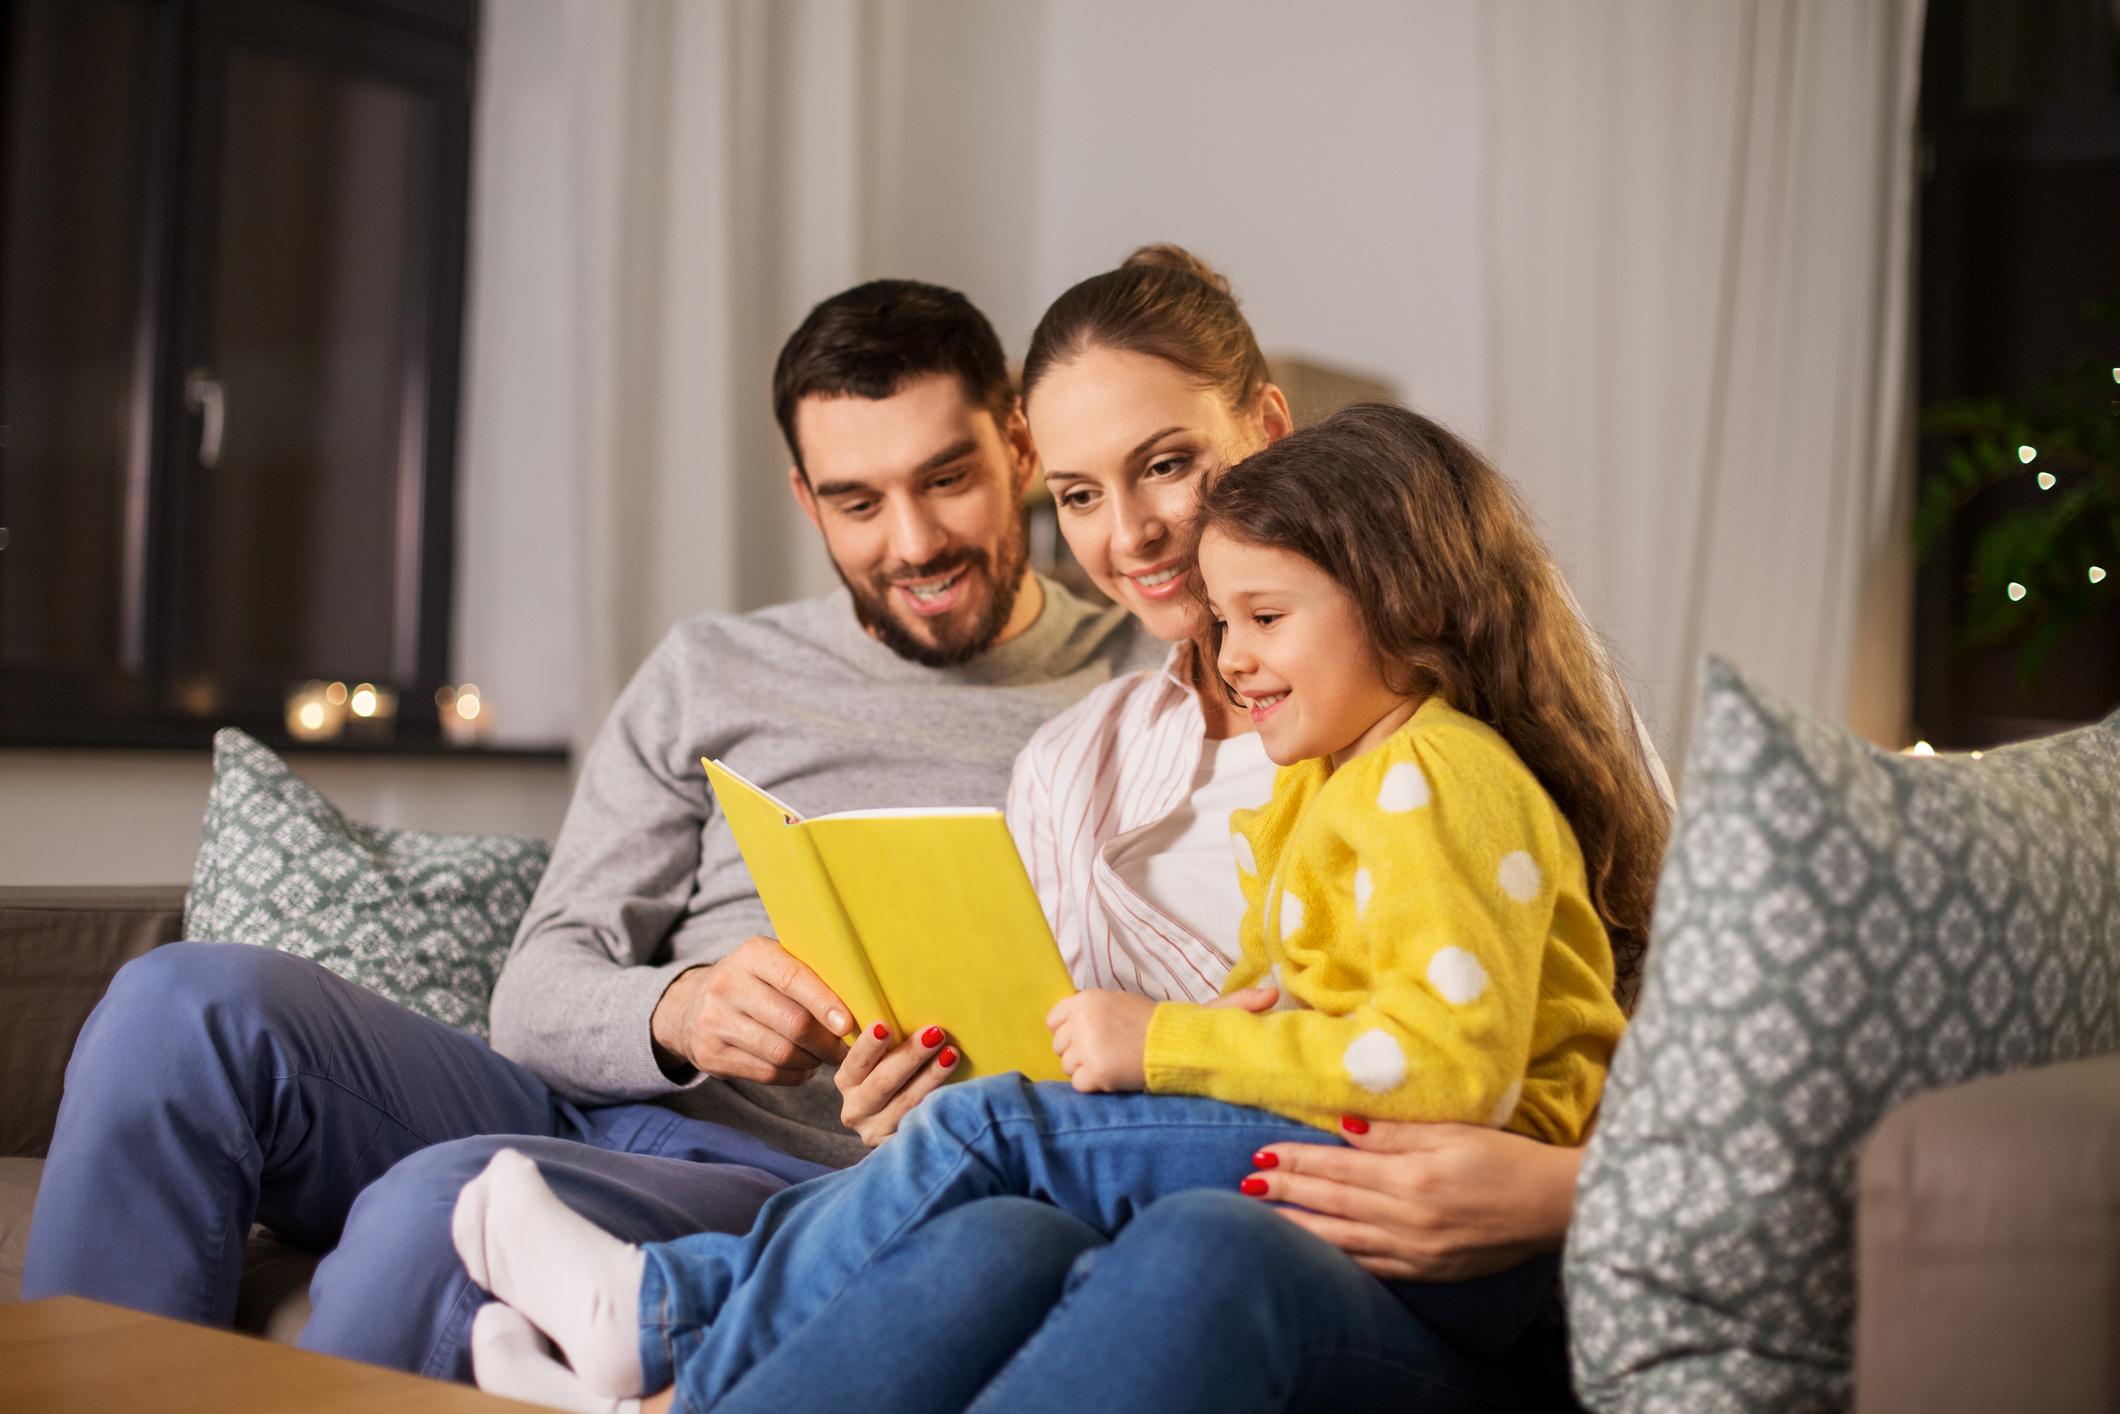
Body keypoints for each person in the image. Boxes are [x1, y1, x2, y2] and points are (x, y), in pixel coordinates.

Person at [20, 279, 1164, 1379]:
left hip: (808, 1177)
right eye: (857, 503)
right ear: (804, 499)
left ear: (1018, 447)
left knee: (446, 1213)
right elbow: (537, 987)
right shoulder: (709, 669)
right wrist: (677, 1010)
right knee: (182, 1006)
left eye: (946, 479)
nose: (910, 543)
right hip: (604, 1101)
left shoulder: (1145, 684)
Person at [449, 398, 1650, 1414]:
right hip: (1345, 1164)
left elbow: (1446, 1071)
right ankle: (681, 1364)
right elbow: (1349, 999)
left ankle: (668, 1307)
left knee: (998, 1133)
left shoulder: (1437, 776)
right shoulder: (1322, 782)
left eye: (1262, 618)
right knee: (994, 1217)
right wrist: (1251, 1011)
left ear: (1405, 604)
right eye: (1076, 493)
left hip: (1445, 1218)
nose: (1227, 656)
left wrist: (1165, 1040)